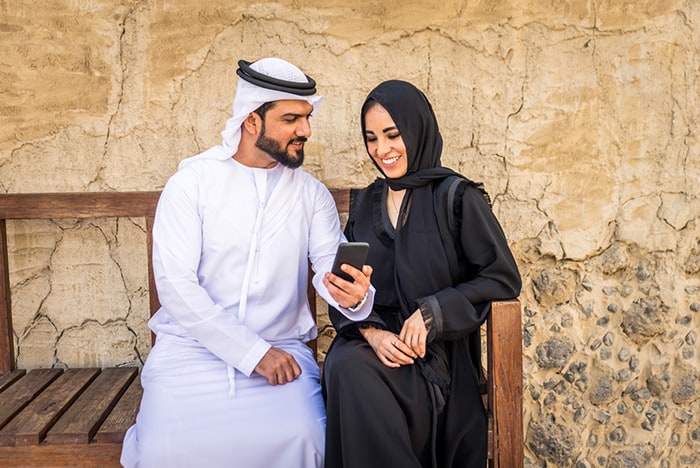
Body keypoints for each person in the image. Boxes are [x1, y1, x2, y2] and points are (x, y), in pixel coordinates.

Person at [121, 57, 374, 468]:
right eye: (291, 118)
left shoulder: (310, 195)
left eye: (307, 118)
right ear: (251, 121)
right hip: (191, 353)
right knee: (161, 450)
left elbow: (329, 265)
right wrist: (252, 353)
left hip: (284, 355)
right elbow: (176, 288)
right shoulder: (191, 185)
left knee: (308, 439)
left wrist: (354, 294)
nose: (305, 131)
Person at [321, 80, 522, 468]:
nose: (382, 149)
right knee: (346, 363)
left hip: (434, 361)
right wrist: (373, 331)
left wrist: (434, 313)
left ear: (417, 129)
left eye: (393, 134)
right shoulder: (367, 205)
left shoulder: (457, 197)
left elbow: (501, 278)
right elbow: (343, 295)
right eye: (372, 138)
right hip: (377, 347)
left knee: (354, 370)